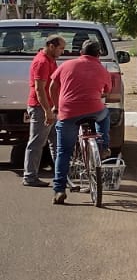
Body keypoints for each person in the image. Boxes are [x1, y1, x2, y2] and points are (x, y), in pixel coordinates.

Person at [49, 39, 114, 205]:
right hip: (94, 110)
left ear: (81, 53)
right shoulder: (102, 69)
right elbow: (106, 91)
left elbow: (52, 87)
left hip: (68, 113)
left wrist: (56, 106)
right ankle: (103, 145)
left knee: (63, 151)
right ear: (98, 54)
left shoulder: (66, 65)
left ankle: (59, 190)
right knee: (105, 113)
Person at [23, 33, 66, 187]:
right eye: (61, 48)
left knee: (56, 142)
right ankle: (30, 177)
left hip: (50, 107)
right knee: (36, 143)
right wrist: (47, 111)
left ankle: (61, 177)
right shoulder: (42, 62)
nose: (63, 52)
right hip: (41, 108)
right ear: (51, 46)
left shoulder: (51, 60)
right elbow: (39, 89)